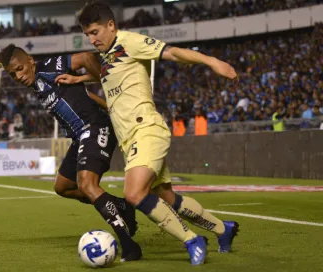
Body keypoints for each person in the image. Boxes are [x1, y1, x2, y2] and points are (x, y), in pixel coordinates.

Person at [54, 1, 239, 265]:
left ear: (110, 25)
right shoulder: (108, 56)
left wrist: (212, 61)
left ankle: (192, 240)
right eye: (87, 35)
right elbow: (112, 77)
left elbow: (172, 52)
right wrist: (79, 80)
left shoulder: (129, 41)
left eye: (95, 32)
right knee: (166, 197)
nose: (91, 39)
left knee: (133, 193)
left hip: (146, 130)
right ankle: (224, 229)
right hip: (131, 139)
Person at [0, 44, 141, 262]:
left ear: (29, 61)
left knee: (86, 184)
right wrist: (109, 107)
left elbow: (85, 57)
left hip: (94, 127)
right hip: (80, 136)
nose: (18, 76)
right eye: (12, 74)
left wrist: (103, 84)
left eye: (19, 68)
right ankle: (121, 206)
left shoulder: (48, 68)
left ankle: (129, 244)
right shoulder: (38, 84)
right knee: (62, 187)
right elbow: (84, 96)